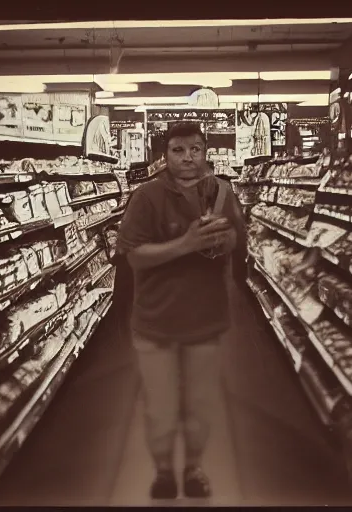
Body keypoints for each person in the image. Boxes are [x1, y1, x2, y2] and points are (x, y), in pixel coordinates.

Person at [117, 122, 246, 500]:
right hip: (155, 321)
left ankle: (193, 468)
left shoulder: (223, 192)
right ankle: (161, 472)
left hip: (206, 319)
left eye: (195, 149)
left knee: (200, 404)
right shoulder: (146, 196)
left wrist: (224, 241)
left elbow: (238, 238)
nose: (188, 157)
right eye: (178, 150)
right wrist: (187, 243)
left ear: (205, 151)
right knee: (160, 407)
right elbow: (134, 257)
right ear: (165, 155)